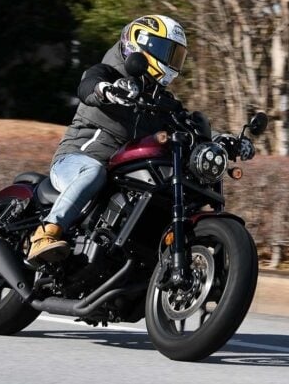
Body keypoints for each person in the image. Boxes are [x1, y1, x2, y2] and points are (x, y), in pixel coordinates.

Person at [27, 15, 189, 266]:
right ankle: (46, 233)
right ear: (139, 42)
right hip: (76, 159)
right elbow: (88, 85)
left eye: (176, 55)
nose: (170, 61)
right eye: (165, 51)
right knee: (93, 171)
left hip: (117, 174)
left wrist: (221, 139)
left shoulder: (161, 101)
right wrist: (106, 90)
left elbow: (185, 120)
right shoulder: (109, 72)